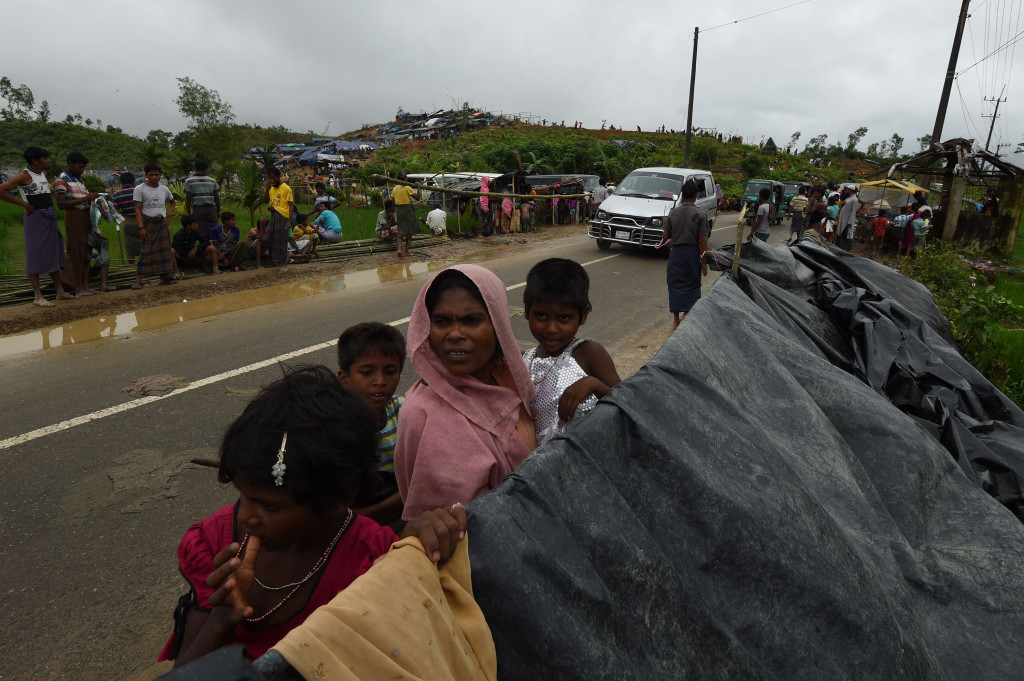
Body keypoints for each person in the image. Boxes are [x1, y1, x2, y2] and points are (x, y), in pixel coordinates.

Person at [157, 365, 468, 667]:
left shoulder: (372, 558)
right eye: (243, 495)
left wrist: (414, 550)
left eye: (269, 506)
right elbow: (186, 672)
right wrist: (222, 619)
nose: (246, 518)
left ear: (338, 499)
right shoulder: (214, 541)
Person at [395, 265, 536, 520]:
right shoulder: (422, 414)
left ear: (498, 325)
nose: (455, 334)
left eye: (471, 320)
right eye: (441, 321)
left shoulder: (508, 379)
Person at [522, 258, 621, 444]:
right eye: (541, 315)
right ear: (527, 311)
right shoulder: (524, 360)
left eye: (564, 318)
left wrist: (593, 384)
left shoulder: (588, 353)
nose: (551, 328)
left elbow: (627, 404)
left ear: (583, 315)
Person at [337, 322, 407, 525]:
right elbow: (345, 517)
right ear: (345, 379)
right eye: (367, 372)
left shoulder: (404, 411)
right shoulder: (335, 429)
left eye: (390, 371)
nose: (380, 381)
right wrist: (408, 495)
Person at [0, 146, 74, 306]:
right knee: (35, 254)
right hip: (36, 219)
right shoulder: (24, 175)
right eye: (45, 158)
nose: (49, 160)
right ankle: (38, 296)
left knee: (53, 252)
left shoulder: (42, 174)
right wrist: (23, 204)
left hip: (49, 217)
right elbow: (1, 190)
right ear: (35, 161)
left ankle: (60, 291)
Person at [664, 180, 711, 328]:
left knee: (674, 283)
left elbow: (665, 235)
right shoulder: (700, 214)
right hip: (692, 253)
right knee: (692, 283)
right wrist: (704, 262)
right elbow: (702, 241)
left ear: (683, 195)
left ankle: (676, 320)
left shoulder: (673, 212)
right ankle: (687, 315)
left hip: (676, 253)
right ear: (696, 195)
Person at [53, 151, 100, 296]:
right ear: (70, 164)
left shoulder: (79, 180)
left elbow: (82, 199)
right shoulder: (62, 180)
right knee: (76, 251)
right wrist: (84, 199)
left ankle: (85, 286)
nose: (82, 170)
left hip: (85, 216)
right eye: (80, 167)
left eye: (83, 167)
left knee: (87, 251)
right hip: (75, 216)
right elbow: (61, 204)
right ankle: (78, 287)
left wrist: (90, 199)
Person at [132, 163, 177, 289]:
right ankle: (138, 280)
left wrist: (168, 215)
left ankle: (164, 277)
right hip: (148, 223)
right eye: (151, 175)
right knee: (146, 251)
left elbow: (173, 202)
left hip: (162, 223)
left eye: (156, 174)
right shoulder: (139, 189)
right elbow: (137, 210)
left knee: (164, 251)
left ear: (160, 175)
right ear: (146, 175)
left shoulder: (164, 189)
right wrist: (141, 227)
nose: (154, 177)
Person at [264, 167, 295, 269]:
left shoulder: (286, 188)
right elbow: (265, 201)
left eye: (272, 178)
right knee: (267, 238)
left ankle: (282, 262)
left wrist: (289, 221)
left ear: (278, 177)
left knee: (281, 240)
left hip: (283, 216)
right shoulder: (271, 188)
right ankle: (277, 257)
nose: (271, 180)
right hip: (273, 215)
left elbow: (291, 205)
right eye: (269, 178)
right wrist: (267, 188)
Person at [183, 159, 221, 239]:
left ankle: (204, 246)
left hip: (198, 210)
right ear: (205, 169)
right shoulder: (212, 181)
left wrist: (188, 211)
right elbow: (217, 198)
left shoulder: (189, 181)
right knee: (215, 232)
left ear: (195, 169)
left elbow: (188, 198)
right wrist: (218, 210)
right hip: (211, 210)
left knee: (199, 232)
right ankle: (214, 246)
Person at [112, 173, 140, 264]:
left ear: (121, 182)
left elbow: (114, 210)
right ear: (133, 181)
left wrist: (123, 215)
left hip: (128, 222)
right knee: (145, 245)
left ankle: (132, 268)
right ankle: (145, 267)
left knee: (130, 248)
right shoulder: (140, 191)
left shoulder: (117, 194)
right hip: (142, 221)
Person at [391, 172, 421, 257]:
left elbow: (392, 201)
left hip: (399, 210)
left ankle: (399, 249)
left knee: (401, 231)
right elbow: (418, 198)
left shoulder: (395, 188)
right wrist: (419, 187)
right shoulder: (407, 187)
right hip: (407, 210)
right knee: (409, 231)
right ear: (405, 179)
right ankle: (407, 250)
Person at [836, 187, 860, 251]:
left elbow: (853, 211)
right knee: (841, 232)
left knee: (845, 233)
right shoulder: (849, 198)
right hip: (843, 219)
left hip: (847, 220)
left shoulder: (854, 199)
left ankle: (845, 248)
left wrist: (850, 222)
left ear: (850, 190)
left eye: (847, 189)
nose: (846, 190)